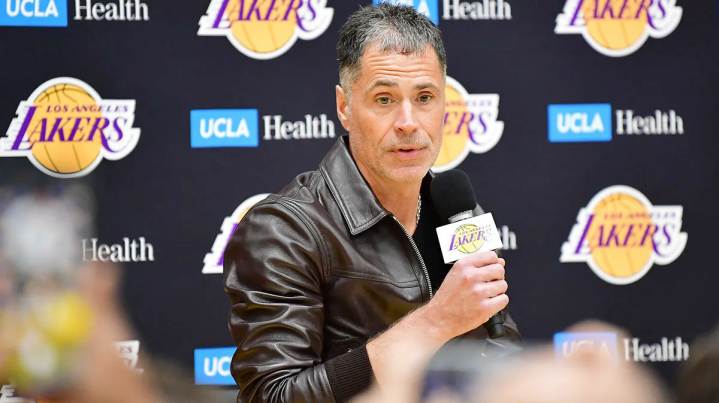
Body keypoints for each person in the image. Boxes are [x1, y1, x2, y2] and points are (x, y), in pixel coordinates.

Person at [223, 4, 521, 403]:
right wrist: (434, 323)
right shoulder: (283, 229)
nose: (408, 122)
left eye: (425, 97)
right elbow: (273, 396)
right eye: (384, 99)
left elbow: (502, 347)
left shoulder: (460, 213)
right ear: (344, 107)